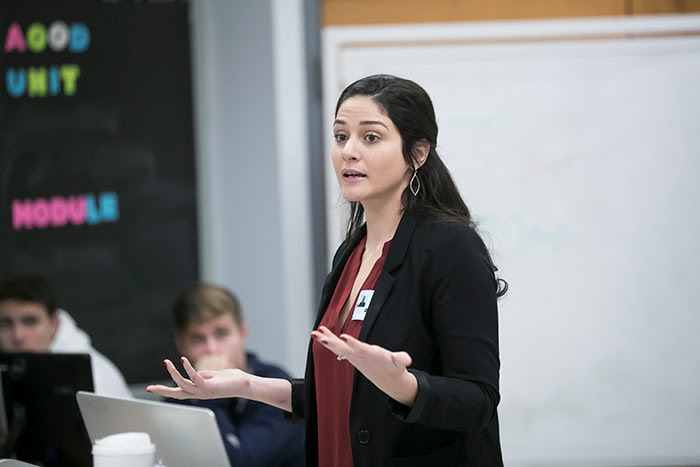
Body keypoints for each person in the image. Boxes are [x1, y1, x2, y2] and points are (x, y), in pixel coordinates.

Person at [148, 74, 507, 466]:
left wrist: (403, 385)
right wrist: (247, 385)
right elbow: (338, 397)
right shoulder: (351, 253)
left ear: (417, 154)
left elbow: (479, 401)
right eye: (340, 137)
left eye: (370, 137)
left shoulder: (449, 247)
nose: (349, 152)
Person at [164, 282, 305, 466]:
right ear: (181, 345)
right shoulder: (181, 392)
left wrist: (209, 394)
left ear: (242, 333)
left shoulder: (273, 382)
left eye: (221, 334)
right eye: (198, 339)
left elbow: (237, 462)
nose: (212, 350)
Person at [0, 274, 132, 398]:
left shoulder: (92, 375)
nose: (18, 336)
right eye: (5, 324)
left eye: (30, 322)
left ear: (54, 324)